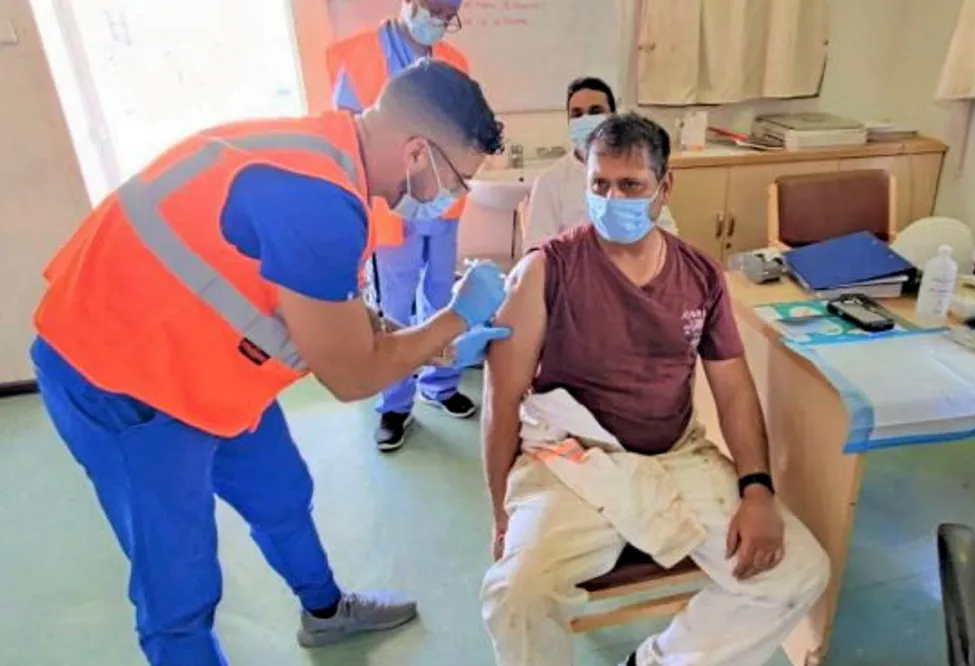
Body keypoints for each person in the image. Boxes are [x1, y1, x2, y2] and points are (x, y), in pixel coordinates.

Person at [31, 59, 507, 666]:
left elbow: (326, 309)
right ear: (418, 152)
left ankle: (326, 615)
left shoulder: (327, 154)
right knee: (179, 584)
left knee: (281, 492)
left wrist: (428, 343)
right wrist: (455, 317)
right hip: (121, 378)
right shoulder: (316, 199)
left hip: (208, 364)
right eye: (457, 181)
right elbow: (351, 376)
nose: (451, 198)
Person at [479, 113, 830, 666]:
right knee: (514, 593)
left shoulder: (700, 276)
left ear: (665, 187)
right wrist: (501, 510)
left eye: (630, 185)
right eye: (600, 184)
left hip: (675, 455)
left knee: (799, 572)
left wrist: (757, 490)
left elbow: (734, 391)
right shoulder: (547, 270)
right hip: (572, 458)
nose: (611, 199)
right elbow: (501, 398)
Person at [327, 0, 475, 451]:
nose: (440, 21)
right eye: (434, 9)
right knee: (394, 301)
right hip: (391, 205)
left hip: (441, 204)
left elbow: (464, 131)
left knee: (441, 294)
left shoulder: (455, 61)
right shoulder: (361, 56)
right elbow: (348, 138)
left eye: (449, 15)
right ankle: (395, 403)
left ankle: (441, 385)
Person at [522, 77, 675, 250]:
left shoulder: (638, 169)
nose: (585, 120)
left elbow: (665, 230)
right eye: (577, 114)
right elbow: (536, 250)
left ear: (613, 117)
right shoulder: (550, 182)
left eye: (595, 111)